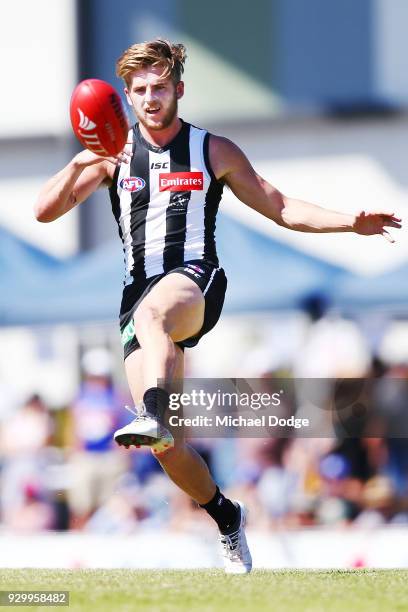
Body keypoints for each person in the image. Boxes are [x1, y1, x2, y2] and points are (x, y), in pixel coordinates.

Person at [34, 39, 401, 573]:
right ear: (127, 99)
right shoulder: (112, 156)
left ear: (178, 89)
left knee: (155, 319)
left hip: (195, 281)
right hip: (137, 292)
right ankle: (226, 515)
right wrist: (81, 157)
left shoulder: (212, 150)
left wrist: (349, 220)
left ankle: (152, 413)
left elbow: (280, 206)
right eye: (139, 90)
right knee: (166, 448)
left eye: (160, 87)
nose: (150, 98)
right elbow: (45, 212)